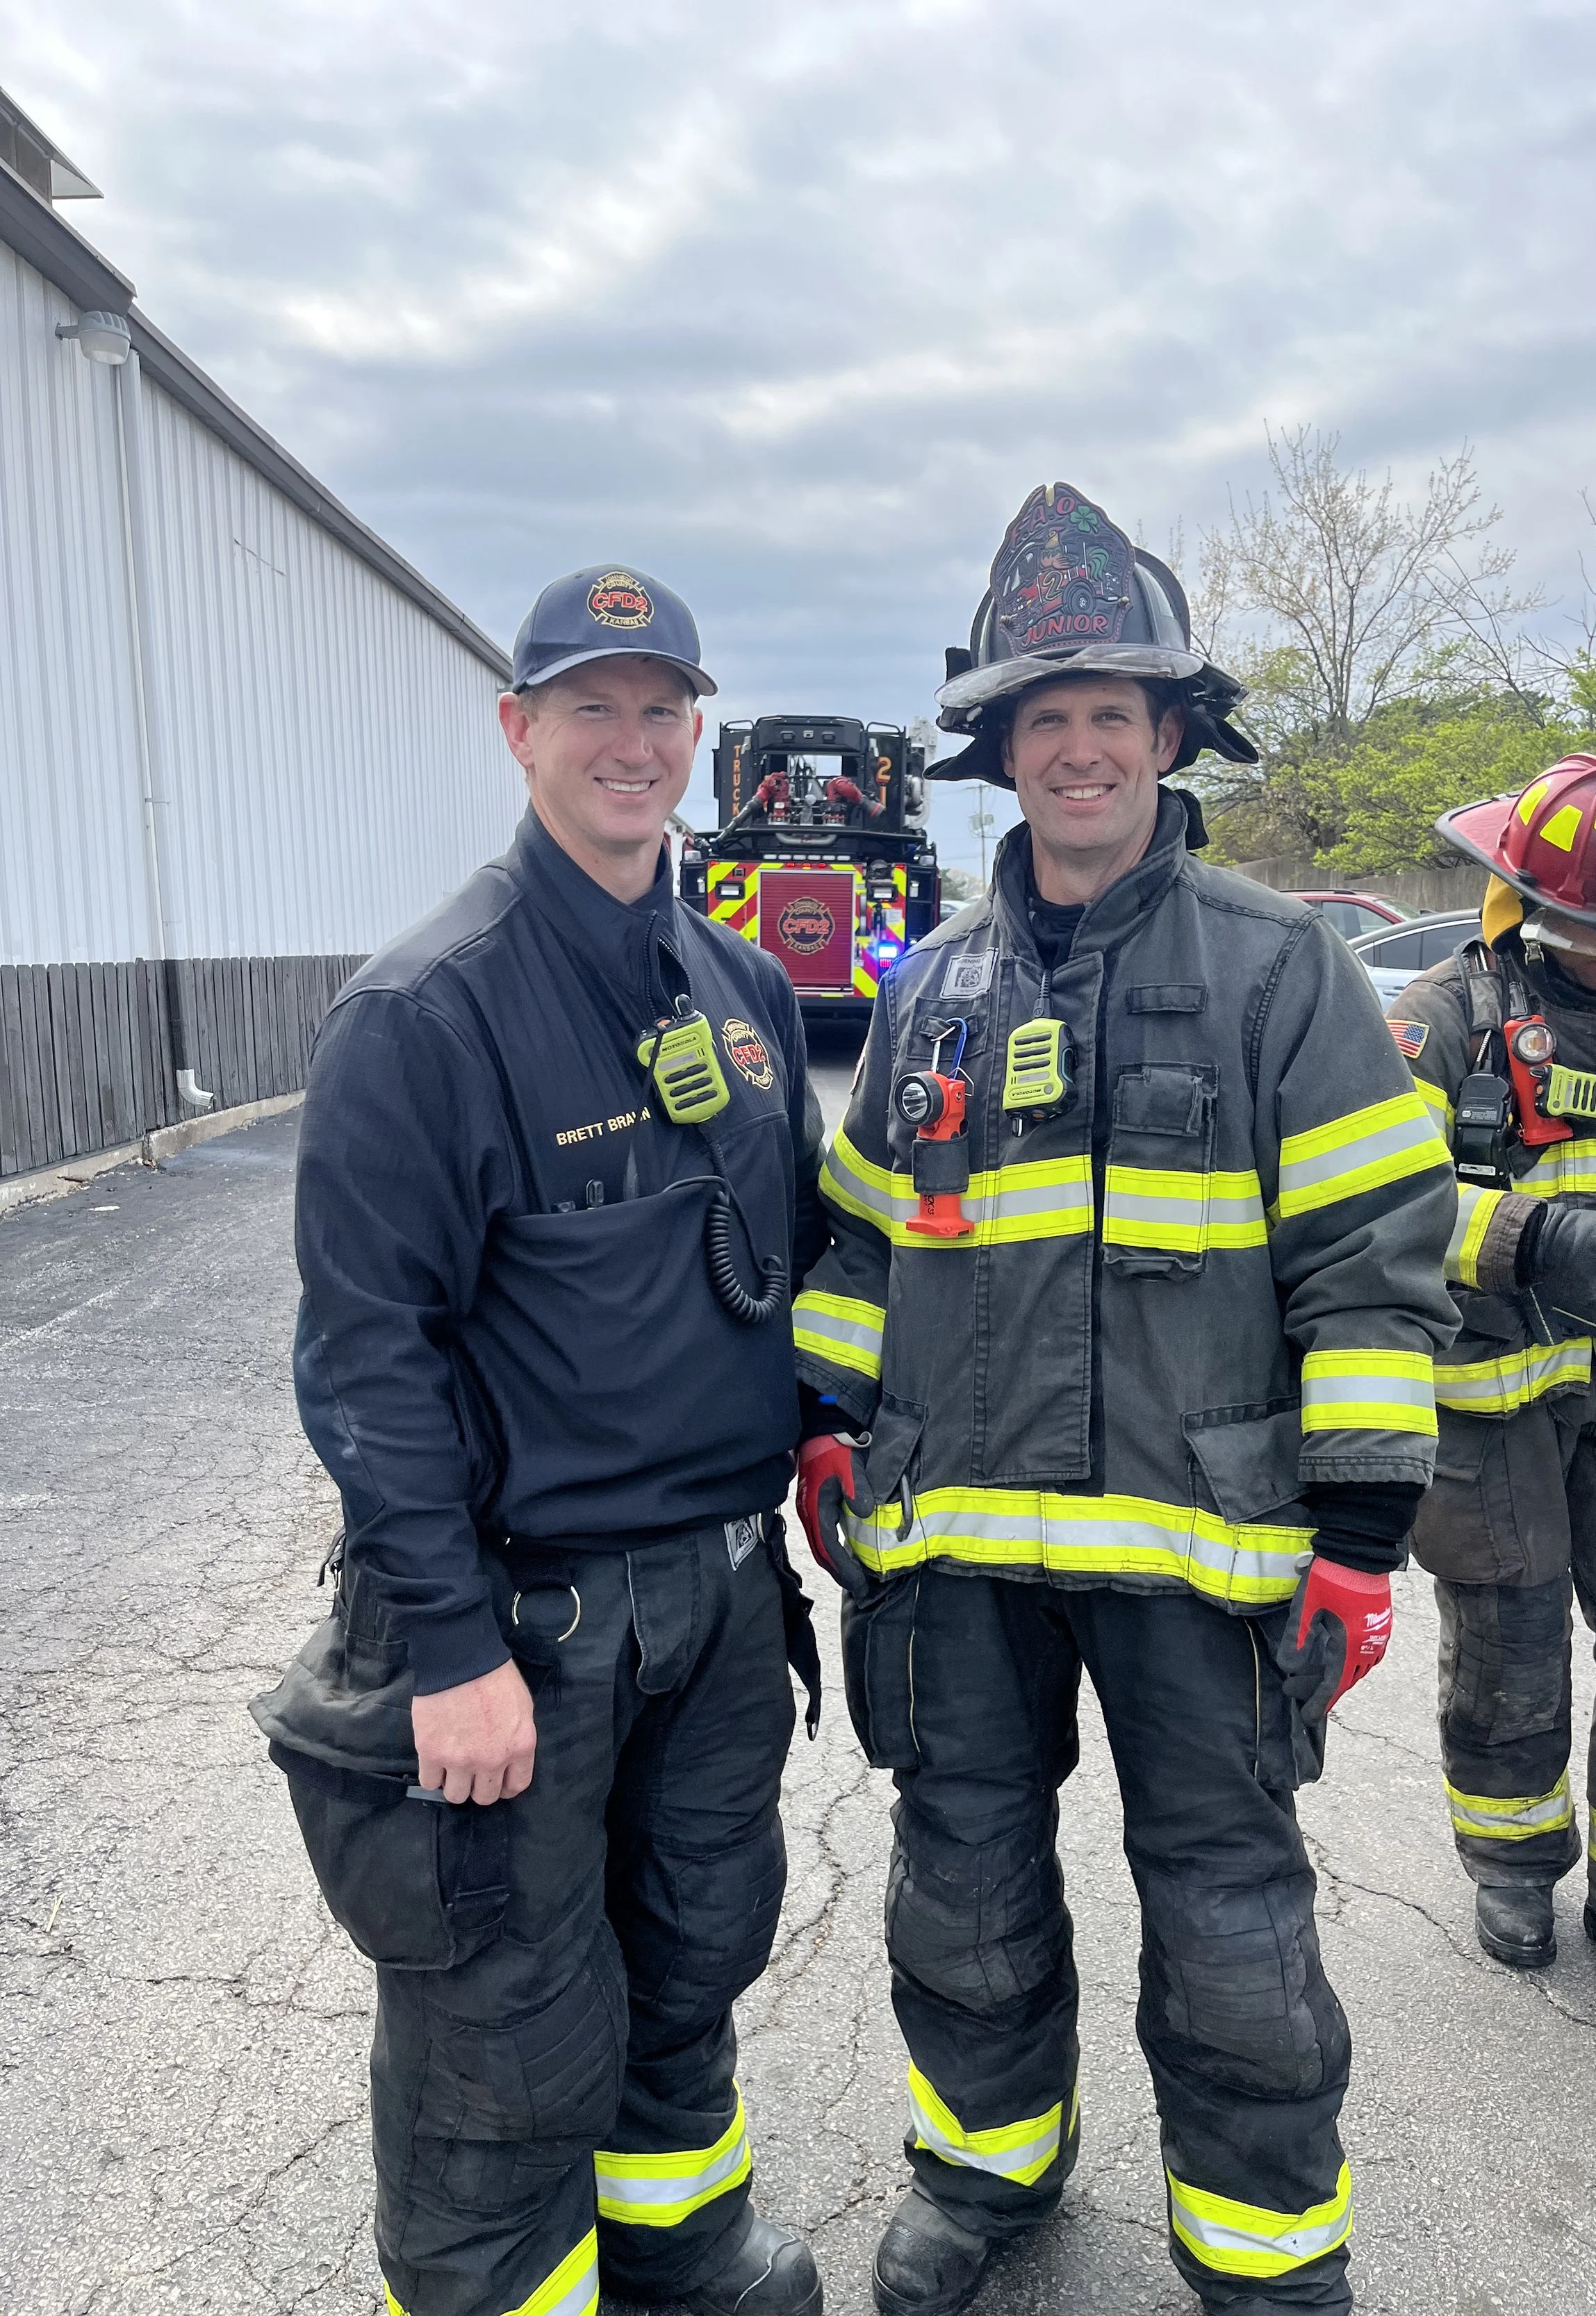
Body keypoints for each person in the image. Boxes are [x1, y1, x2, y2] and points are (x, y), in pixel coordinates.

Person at [788, 483, 1460, 2316]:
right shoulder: (923, 988)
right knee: (963, 1893)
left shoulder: (1282, 970)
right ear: (1001, 754)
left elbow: (1373, 1262)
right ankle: (984, 2171)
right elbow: (858, 1252)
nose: (1076, 748)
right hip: (956, 1555)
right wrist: (831, 1424)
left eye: (1109, 715)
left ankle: (1261, 2252)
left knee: (1231, 1927)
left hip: (1209, 1554)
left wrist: (1362, 1535)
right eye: (1042, 718)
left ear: (1170, 740)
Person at [254, 564, 829, 2316]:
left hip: (722, 1607)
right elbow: (365, 1359)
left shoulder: (735, 984)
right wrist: (445, 1650)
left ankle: (677, 2243)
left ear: (697, 736)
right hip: (527, 1626)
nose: (632, 743)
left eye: (663, 709)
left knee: (691, 1947)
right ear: (519, 731)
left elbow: (787, 1269)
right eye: (592, 706)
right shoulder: (424, 1013)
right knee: (500, 2009)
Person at [1383, 755, 1596, 2003]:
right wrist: (1537, 1238)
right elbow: (1371, 1201)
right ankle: (1515, 1863)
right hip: (1491, 1388)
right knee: (1509, 1634)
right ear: (1529, 895)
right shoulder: (1441, 1017)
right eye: (1588, 920)